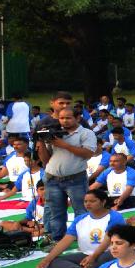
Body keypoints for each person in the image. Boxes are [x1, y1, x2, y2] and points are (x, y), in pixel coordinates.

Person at [34, 104, 101, 247]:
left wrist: (63, 145)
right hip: (52, 178)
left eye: (68, 118)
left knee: (81, 209)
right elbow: (46, 160)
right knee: (56, 211)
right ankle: (57, 239)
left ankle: (83, 237)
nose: (64, 121)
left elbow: (88, 154)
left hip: (75, 178)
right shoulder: (55, 133)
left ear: (78, 118)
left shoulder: (86, 133)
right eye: (61, 118)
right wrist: (41, 142)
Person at [34, 189, 124, 268]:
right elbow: (65, 241)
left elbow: (107, 241)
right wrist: (46, 260)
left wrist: (93, 257)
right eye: (85, 201)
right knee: (52, 262)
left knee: (113, 256)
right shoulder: (80, 219)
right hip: (86, 254)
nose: (88, 204)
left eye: (92, 201)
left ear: (103, 202)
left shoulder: (114, 217)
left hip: (108, 253)